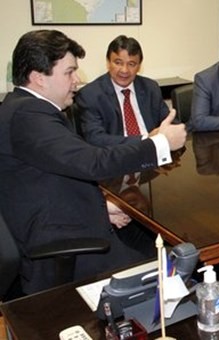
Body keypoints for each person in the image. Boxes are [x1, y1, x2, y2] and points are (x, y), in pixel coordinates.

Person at [0, 30, 187, 294]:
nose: (77, 80)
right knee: (172, 271)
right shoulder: (29, 115)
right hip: (58, 247)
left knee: (158, 245)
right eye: (69, 72)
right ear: (38, 77)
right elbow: (94, 161)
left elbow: (60, 175)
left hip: (61, 219)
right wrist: (160, 144)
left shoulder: (23, 108)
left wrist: (103, 207)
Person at [75, 35, 170, 146]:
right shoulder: (91, 94)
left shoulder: (150, 88)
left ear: (139, 66)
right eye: (118, 63)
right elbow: (95, 138)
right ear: (108, 62)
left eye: (131, 64)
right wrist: (146, 140)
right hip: (115, 157)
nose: (124, 70)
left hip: (153, 156)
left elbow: (169, 122)